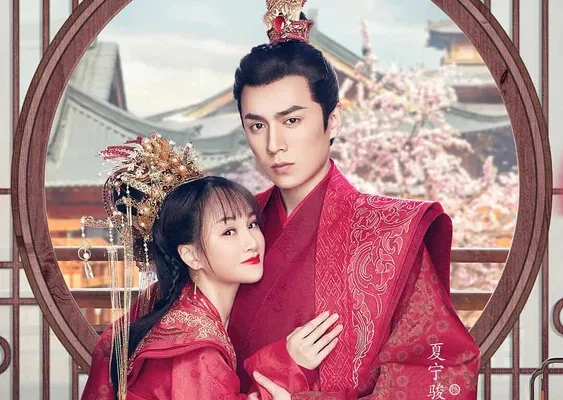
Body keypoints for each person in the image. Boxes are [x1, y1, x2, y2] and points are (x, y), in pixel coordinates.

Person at [229, 1, 481, 399]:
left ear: (332, 120)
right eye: (257, 125)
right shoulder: (231, 225)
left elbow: (438, 369)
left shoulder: (390, 232)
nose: (274, 144)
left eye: (291, 120)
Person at [81, 134, 340, 400]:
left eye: (252, 225)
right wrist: (286, 364)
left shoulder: (177, 306)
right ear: (191, 255)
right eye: (229, 232)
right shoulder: (192, 348)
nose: (252, 242)